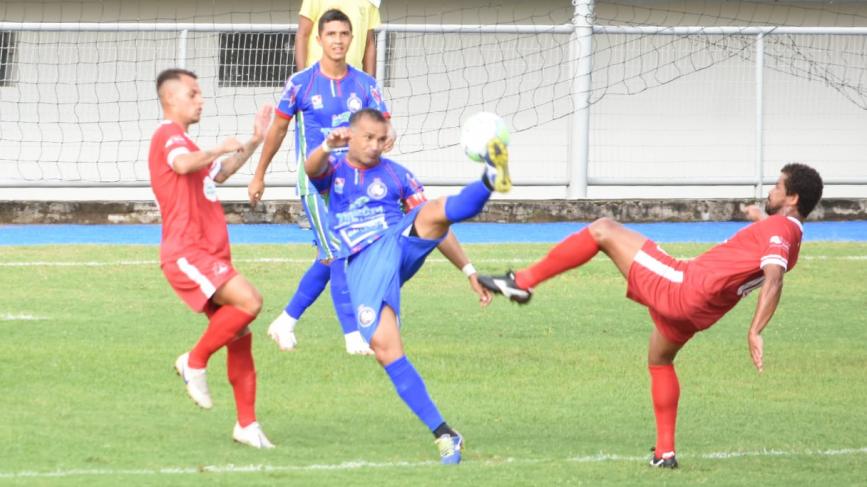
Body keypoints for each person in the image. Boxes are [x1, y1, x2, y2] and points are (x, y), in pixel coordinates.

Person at [478, 163, 824, 469]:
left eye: (777, 186)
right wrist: (759, 216)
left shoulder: (781, 231)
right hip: (699, 312)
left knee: (602, 229)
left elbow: (774, 278)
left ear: (792, 198)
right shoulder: (789, 234)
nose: (771, 190)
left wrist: (755, 330)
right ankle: (665, 453)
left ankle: (522, 283)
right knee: (660, 360)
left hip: (683, 286)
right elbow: (772, 245)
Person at [290, 107, 511, 464]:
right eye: (368, 138)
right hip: (363, 261)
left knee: (435, 211)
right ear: (350, 135)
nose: (375, 146)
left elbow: (440, 227)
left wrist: (469, 270)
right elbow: (311, 168)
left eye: (381, 139)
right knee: (386, 349)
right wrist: (327, 145)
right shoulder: (335, 170)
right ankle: (445, 434)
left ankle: (490, 176)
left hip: (398, 241)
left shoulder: (397, 175)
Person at [249, 9, 395, 355]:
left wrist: (388, 136)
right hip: (315, 182)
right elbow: (278, 129)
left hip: (353, 185)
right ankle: (354, 337)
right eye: (331, 34)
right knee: (338, 252)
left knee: (330, 257)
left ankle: (285, 322)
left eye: (344, 34)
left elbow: (385, 127)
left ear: (351, 39)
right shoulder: (300, 83)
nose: (338, 41)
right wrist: (259, 174)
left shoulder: (366, 84)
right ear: (319, 40)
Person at [148, 68, 275, 449]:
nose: (201, 100)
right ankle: (195, 360)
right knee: (250, 301)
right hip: (188, 252)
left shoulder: (186, 142)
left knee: (239, 336)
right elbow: (182, 164)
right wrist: (219, 148)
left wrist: (254, 141)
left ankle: (247, 425)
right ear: (170, 98)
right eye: (193, 93)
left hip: (209, 252)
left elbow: (220, 173)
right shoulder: (167, 136)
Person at [295, 0, 381, 76]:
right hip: (316, 77)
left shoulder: (371, 2)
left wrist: (370, 83)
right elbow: (303, 35)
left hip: (353, 80)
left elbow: (369, 43)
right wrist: (302, 77)